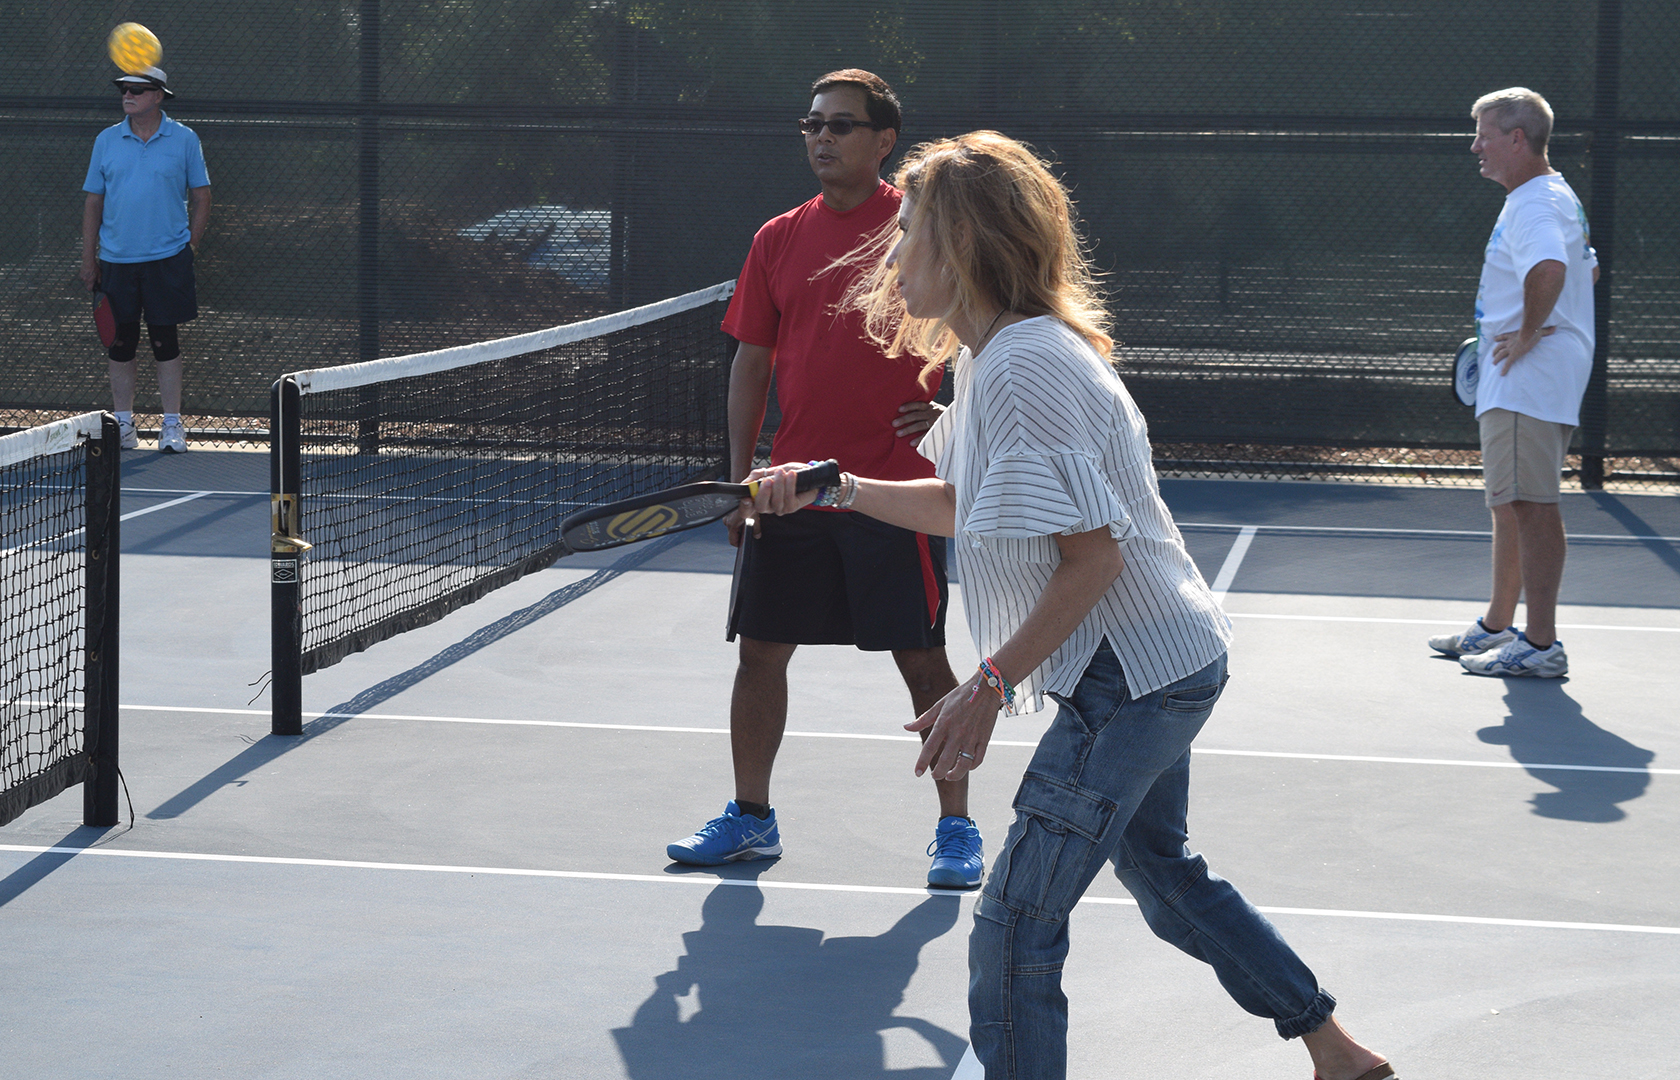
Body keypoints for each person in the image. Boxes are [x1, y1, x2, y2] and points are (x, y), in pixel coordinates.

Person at [744, 131, 1396, 1080]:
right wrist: (839, 486)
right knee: (1164, 877)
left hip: (1127, 677)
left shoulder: (1024, 367)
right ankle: (1332, 1047)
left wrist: (986, 683)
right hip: (1162, 660)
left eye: (911, 230)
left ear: (963, 246)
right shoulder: (997, 358)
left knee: (1013, 925)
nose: (890, 252)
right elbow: (976, 504)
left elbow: (1091, 559)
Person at [665, 70, 981, 889]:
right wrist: (740, 481)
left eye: (841, 125)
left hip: (898, 492)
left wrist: (951, 414)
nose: (821, 137)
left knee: (922, 661)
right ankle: (750, 820)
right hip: (790, 485)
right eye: (811, 124)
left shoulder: (918, 230)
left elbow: (986, 331)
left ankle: (957, 829)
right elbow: (751, 361)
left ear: (884, 141)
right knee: (760, 654)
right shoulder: (776, 238)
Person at [1428, 87, 1597, 679]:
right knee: (1509, 504)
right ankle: (1498, 625)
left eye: (1484, 134)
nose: (1475, 146)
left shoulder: (1533, 202)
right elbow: (1588, 268)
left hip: (1528, 376)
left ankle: (1541, 644)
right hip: (1521, 377)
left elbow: (1552, 268)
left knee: (1531, 505)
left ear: (1517, 139)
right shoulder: (1549, 195)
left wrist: (1527, 334)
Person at [80, 64, 210, 453]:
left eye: (138, 89)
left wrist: (191, 246)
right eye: (124, 89)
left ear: (158, 97)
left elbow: (202, 196)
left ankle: (172, 426)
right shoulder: (106, 140)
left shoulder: (185, 139)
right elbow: (93, 201)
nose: (128, 95)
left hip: (168, 259)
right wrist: (90, 258)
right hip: (117, 261)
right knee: (120, 344)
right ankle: (123, 425)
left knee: (164, 341)